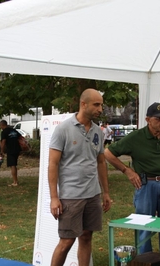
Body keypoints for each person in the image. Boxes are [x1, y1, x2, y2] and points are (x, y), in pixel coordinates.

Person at [104, 102, 160, 255]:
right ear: (147, 120)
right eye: (158, 119)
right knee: (144, 227)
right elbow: (108, 153)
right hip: (146, 185)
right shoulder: (136, 137)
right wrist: (127, 171)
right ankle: (145, 260)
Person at [49, 88, 111, 266]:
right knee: (66, 241)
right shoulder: (63, 129)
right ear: (83, 104)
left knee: (86, 237)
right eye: (96, 104)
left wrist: (105, 192)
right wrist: (54, 197)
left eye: (101, 105)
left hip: (93, 194)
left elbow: (100, 162)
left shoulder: (98, 131)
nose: (100, 109)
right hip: (71, 196)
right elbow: (52, 164)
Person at [0, 120, 21, 187]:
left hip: (11, 150)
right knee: (14, 164)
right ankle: (15, 180)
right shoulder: (13, 130)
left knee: (12, 165)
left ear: (2, 125)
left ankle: (15, 182)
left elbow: (3, 142)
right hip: (17, 149)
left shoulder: (4, 132)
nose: (0, 127)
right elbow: (20, 137)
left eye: (0, 126)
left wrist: (2, 151)